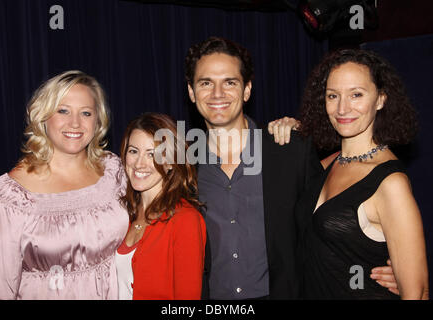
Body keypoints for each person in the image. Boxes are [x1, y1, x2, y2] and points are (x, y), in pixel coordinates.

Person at [184, 36, 399, 300]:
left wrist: (384, 264)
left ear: (247, 89)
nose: (217, 94)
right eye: (206, 83)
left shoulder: (289, 149)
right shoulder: (181, 165)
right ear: (192, 92)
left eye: (230, 82)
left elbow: (335, 219)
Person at [288, 49, 428, 299]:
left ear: (381, 99)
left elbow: (417, 293)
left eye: (356, 94)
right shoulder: (330, 164)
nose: (342, 108)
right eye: (333, 95)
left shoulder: (390, 183)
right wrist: (285, 129)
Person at [0, 70, 129, 299]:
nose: (75, 123)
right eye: (63, 111)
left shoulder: (114, 172)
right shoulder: (12, 197)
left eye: (86, 113)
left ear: (98, 121)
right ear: (43, 117)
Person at [115, 112, 206, 300]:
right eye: (133, 151)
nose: (140, 163)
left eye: (152, 154)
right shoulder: (121, 215)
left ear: (171, 162)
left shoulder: (185, 220)